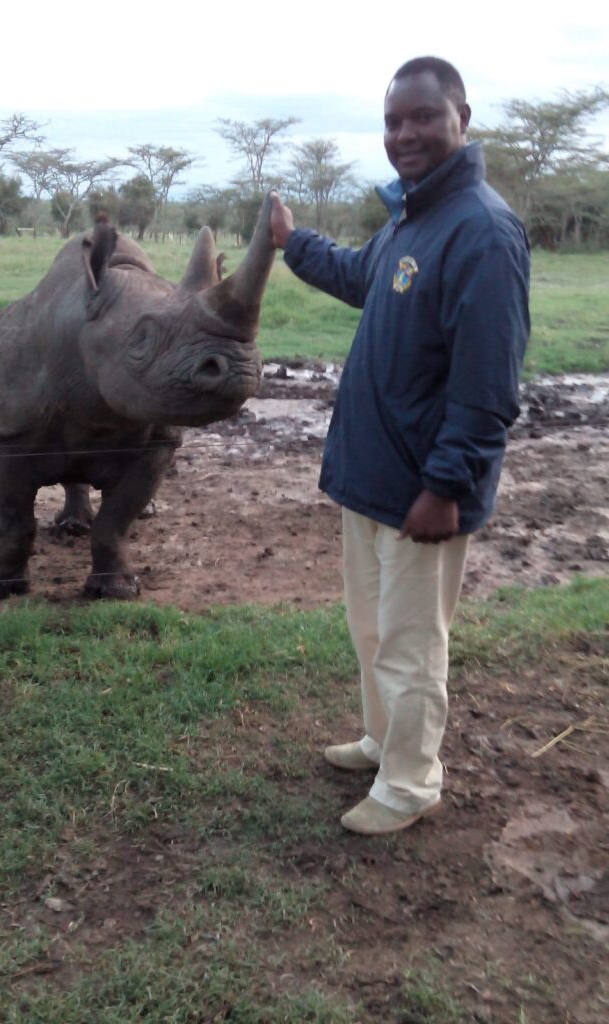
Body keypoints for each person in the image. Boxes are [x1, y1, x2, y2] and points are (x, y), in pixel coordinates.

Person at [270, 57, 530, 835]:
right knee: (373, 631)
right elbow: (360, 276)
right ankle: (383, 742)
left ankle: (411, 783)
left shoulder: (483, 230)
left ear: (461, 119)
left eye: (422, 116)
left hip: (423, 485)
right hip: (373, 476)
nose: (405, 133)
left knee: (412, 644)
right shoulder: (411, 218)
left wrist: (447, 485)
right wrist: (293, 242)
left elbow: (488, 384)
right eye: (393, 121)